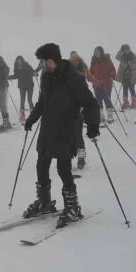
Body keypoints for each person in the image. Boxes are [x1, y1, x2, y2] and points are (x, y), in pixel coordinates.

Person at [23, 43, 100, 228]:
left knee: (63, 169)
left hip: (66, 129)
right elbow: (42, 101)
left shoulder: (73, 77)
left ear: (55, 60)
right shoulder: (45, 76)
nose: (44, 65)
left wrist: (92, 124)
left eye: (46, 62)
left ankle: (73, 207)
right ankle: (44, 202)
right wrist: (32, 118)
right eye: (42, 62)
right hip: (48, 129)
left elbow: (90, 103)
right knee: (41, 164)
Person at [89, 46, 117, 124]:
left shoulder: (107, 60)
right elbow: (91, 72)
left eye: (98, 51)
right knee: (98, 101)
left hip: (106, 84)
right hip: (96, 84)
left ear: (101, 52)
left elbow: (113, 69)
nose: (96, 53)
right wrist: (90, 77)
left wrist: (112, 76)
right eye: (95, 52)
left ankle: (110, 115)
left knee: (107, 99)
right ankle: (101, 116)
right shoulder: (93, 61)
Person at [9, 56, 36, 123]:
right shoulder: (16, 68)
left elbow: (32, 72)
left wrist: (35, 73)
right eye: (18, 60)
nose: (19, 61)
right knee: (22, 100)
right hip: (22, 86)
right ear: (17, 61)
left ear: (22, 60)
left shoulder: (27, 65)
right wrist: (8, 77)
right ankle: (22, 116)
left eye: (20, 60)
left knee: (29, 99)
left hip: (29, 85)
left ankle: (33, 115)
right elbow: (16, 76)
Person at [116, 44, 136, 109]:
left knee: (132, 88)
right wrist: (120, 50)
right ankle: (126, 102)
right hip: (124, 75)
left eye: (127, 49)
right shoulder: (122, 56)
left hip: (132, 75)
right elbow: (117, 57)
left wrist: (131, 65)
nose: (126, 51)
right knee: (125, 88)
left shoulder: (133, 56)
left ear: (129, 49)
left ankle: (134, 102)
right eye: (124, 50)